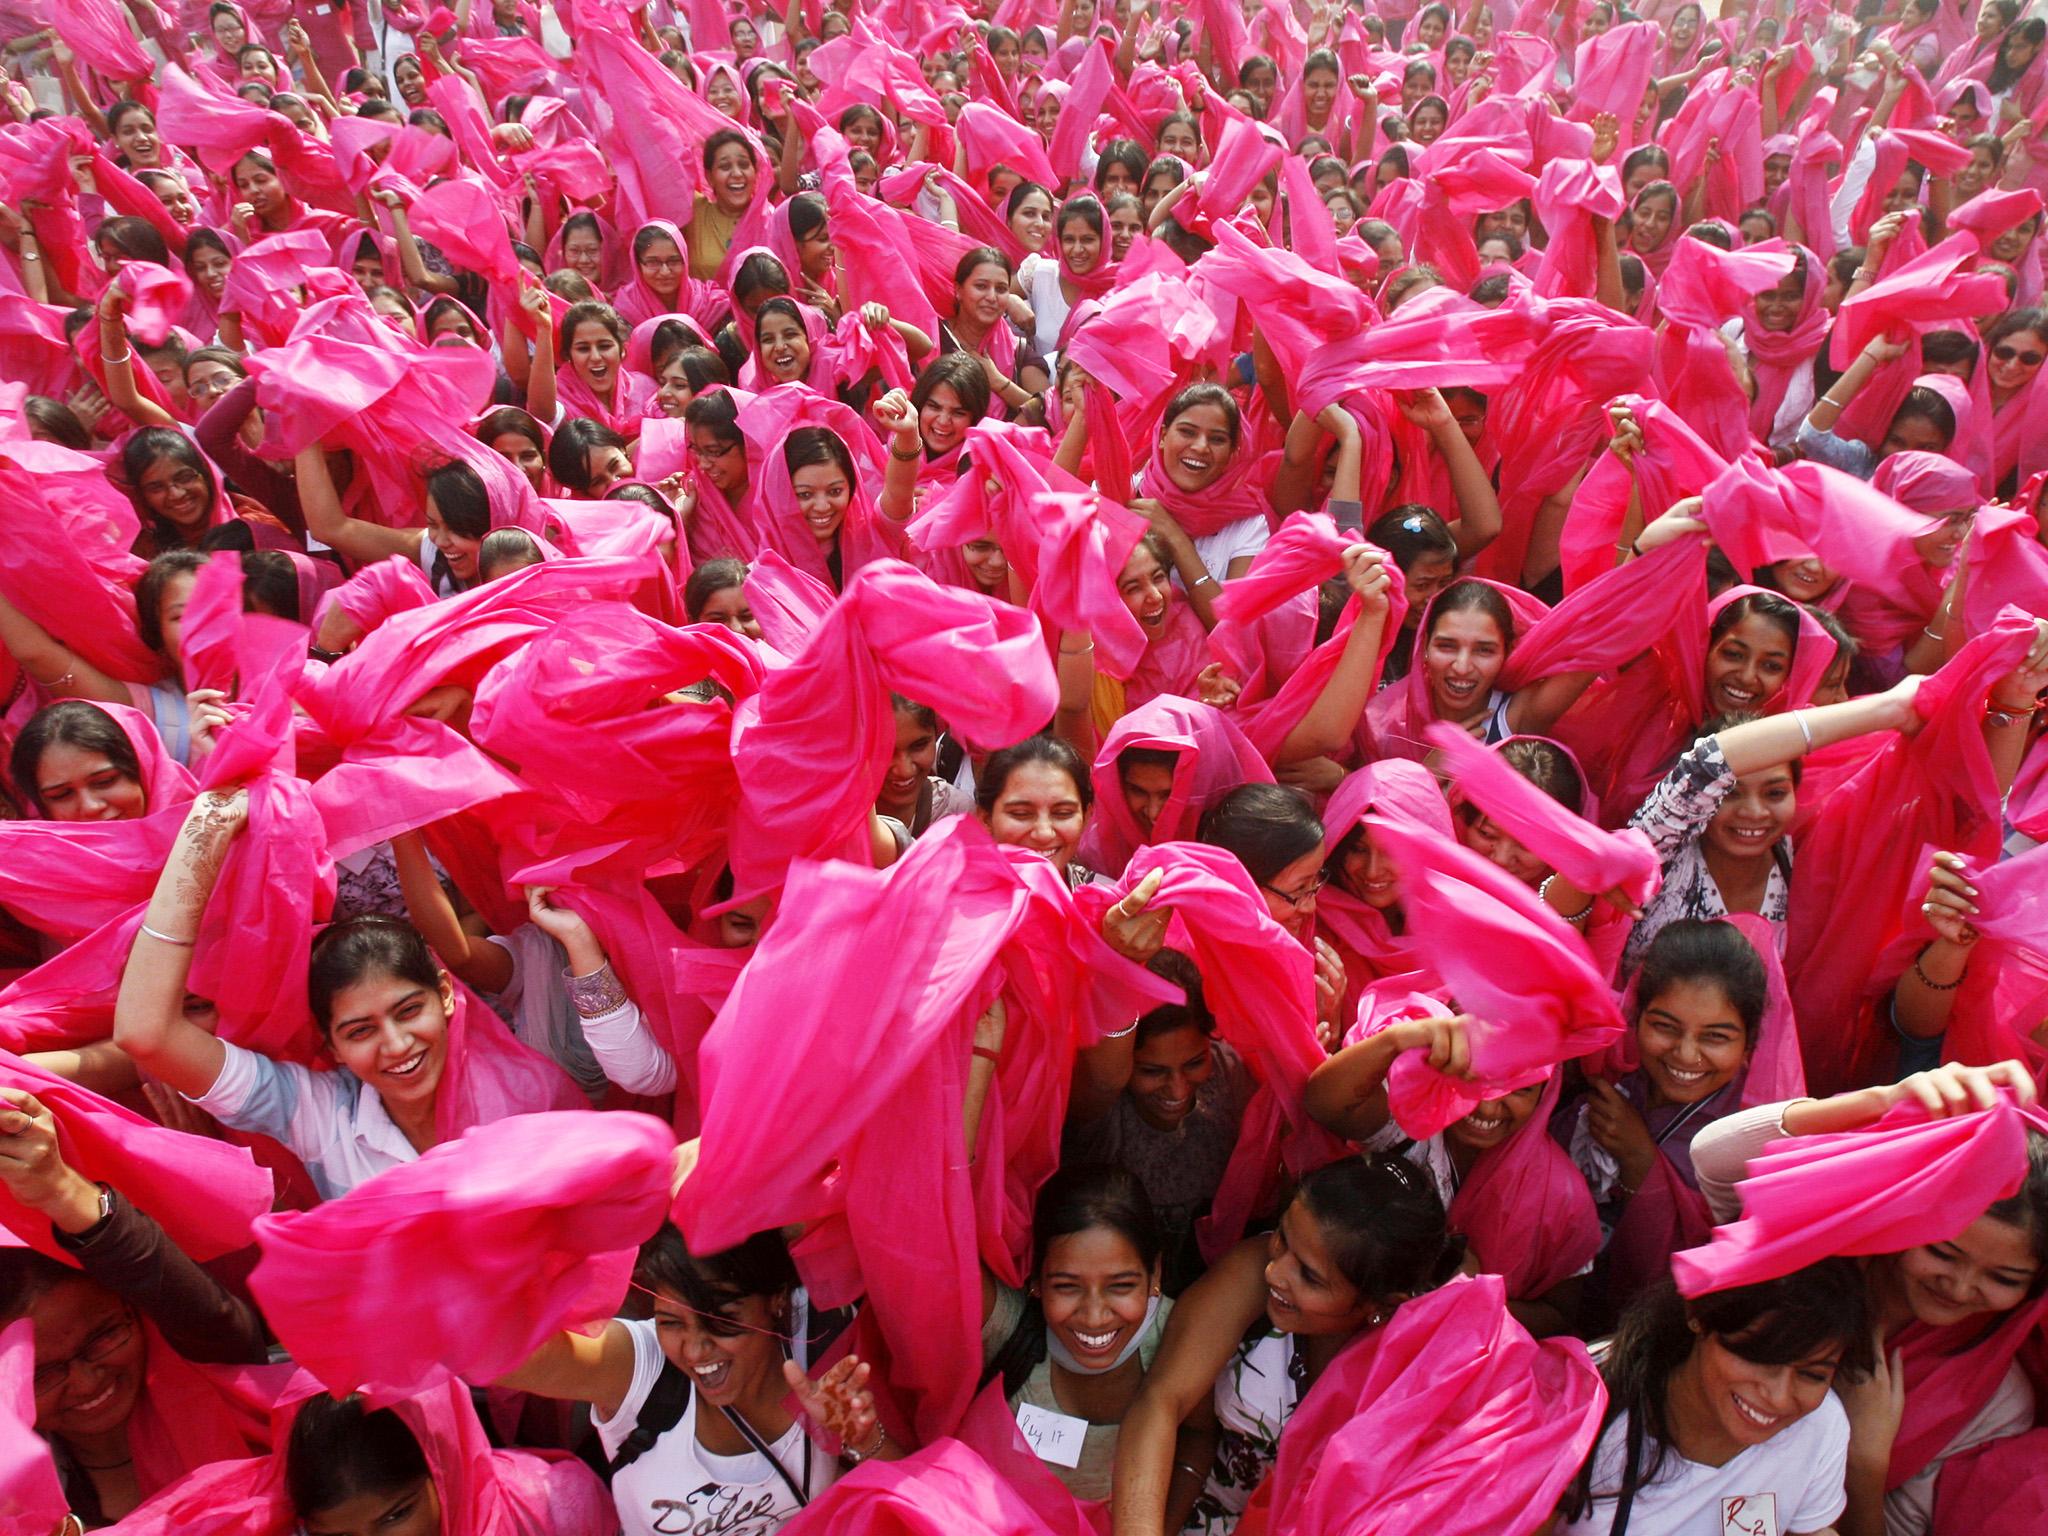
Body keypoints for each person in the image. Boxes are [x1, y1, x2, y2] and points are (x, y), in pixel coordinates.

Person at [113, 791, 579, 1198]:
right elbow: (147, 1033)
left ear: (445, 995)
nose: (397, 1046)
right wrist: (205, 831)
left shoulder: (538, 1100)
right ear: (331, 1046)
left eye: (408, 1010)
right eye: (360, 1031)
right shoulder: (321, 1117)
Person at [1110, 1155, 1465, 1533]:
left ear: (1381, 1304)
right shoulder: (1253, 1271)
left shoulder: (1422, 1361)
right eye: (1283, 1238)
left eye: (1310, 1277)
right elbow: (1160, 1401)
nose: (1275, 1272)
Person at [499, 1223, 895, 1535]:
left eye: (720, 1320)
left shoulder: (824, 1341)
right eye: (671, 1322)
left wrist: (863, 1439)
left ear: (777, 1300)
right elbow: (511, 1357)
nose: (695, 1350)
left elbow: (918, 1497)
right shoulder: (639, 1368)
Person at [1561, 1262, 1876, 1534]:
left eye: (1812, 1375)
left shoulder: (1820, 1426)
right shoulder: (1578, 1407)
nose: (1778, 1398)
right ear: (1698, 1313)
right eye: (1759, 1357)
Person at [980, 1165, 1186, 1499]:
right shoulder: (1006, 1327)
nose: (1093, 1317)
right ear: (1036, 1279)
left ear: (1155, 1273)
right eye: (1067, 1286)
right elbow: (929, 1232)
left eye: (1120, 1286)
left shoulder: (1180, 1337)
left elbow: (1200, 1436)